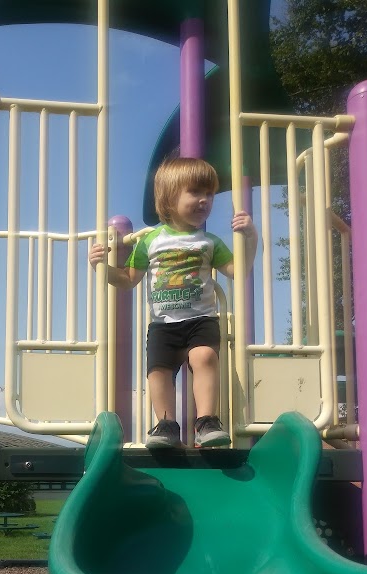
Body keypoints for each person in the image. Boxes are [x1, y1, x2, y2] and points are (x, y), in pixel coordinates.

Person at [89, 157, 258, 449]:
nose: (205, 200)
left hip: (201, 319)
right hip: (163, 324)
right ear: (169, 197)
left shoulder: (209, 242)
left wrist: (251, 237)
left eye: (209, 194)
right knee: (159, 372)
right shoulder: (150, 242)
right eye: (196, 192)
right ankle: (166, 424)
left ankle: (206, 421)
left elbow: (238, 271)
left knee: (205, 358)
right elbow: (128, 279)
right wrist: (101, 268)